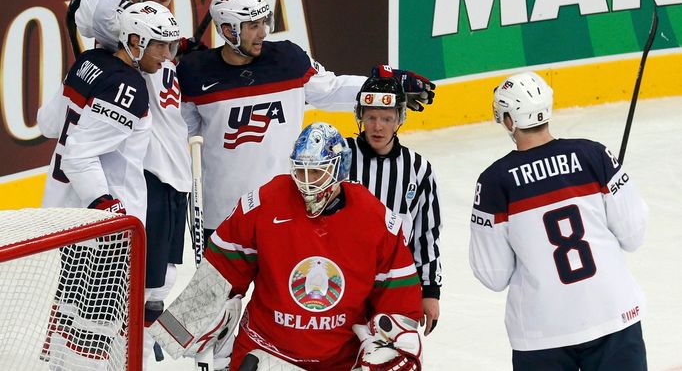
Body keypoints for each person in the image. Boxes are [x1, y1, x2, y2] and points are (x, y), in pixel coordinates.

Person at [151, 122, 425, 370]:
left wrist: (396, 346)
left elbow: (396, 296)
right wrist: (191, 333)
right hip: (266, 351)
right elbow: (221, 272)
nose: (306, 183)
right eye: (300, 171)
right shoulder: (264, 203)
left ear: (339, 170)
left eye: (316, 173)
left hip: (342, 359)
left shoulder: (375, 219)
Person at [178, 0, 436, 241]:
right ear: (227, 30)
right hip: (221, 215)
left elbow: (332, 90)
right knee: (219, 285)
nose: (262, 33)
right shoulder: (194, 73)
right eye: (253, 26)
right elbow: (177, 133)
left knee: (279, 283)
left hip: (282, 210)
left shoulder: (288, 60)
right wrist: (173, 65)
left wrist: (386, 86)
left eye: (263, 22)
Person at [469, 71, 648, 370]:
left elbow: (493, 274)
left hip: (542, 334)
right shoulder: (594, 154)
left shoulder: (493, 183)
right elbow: (633, 234)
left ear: (511, 120)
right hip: (613, 316)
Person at [37, 1, 180, 369]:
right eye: (159, 45)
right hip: (106, 231)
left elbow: (48, 125)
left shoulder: (89, 63)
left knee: (72, 314)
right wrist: (111, 213)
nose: (166, 56)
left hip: (70, 217)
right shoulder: (128, 87)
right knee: (97, 328)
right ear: (134, 40)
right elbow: (79, 155)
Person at [74, 0, 192, 366]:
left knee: (164, 282)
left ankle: (138, 345)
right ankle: (124, 353)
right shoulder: (125, 34)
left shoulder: (160, 44)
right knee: (137, 288)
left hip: (177, 182)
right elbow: (93, 19)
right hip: (150, 180)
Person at [347, 76, 443, 336]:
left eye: (387, 119)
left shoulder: (418, 169)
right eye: (371, 117)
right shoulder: (340, 157)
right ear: (360, 116)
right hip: (342, 280)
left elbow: (426, 234)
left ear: (400, 119)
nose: (378, 127)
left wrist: (430, 290)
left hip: (397, 285)